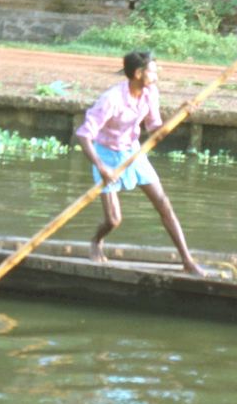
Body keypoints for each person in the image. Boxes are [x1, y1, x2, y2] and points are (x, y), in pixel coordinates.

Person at [74, 51, 206, 276]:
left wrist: (180, 114)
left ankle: (187, 260)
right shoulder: (111, 99)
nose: (156, 75)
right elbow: (84, 135)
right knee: (114, 220)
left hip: (133, 152)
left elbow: (156, 130)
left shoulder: (150, 93)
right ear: (137, 73)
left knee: (164, 203)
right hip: (105, 155)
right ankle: (96, 241)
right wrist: (101, 167)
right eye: (152, 71)